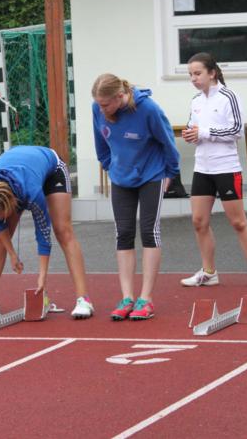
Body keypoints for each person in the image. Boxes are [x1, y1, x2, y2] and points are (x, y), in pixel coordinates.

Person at [92, 73, 180, 320]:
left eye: (106, 104)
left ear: (120, 96)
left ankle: (146, 298)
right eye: (99, 104)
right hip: (121, 177)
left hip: (151, 174)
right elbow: (100, 142)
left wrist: (171, 173)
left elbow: (168, 142)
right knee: (123, 233)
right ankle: (127, 297)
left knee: (149, 231)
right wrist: (108, 165)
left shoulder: (148, 109)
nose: (102, 109)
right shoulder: (97, 108)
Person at [0, 145, 94, 319]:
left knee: (63, 231)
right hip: (20, 171)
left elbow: (43, 233)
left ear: (13, 204)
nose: (0, 219)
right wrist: (12, 254)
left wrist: (42, 277)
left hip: (52, 168)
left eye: (3, 215)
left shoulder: (32, 193)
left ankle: (84, 299)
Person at [179, 52, 247, 289]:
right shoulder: (196, 101)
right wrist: (190, 134)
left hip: (226, 167)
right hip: (202, 167)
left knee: (238, 222)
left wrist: (203, 133)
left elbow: (237, 130)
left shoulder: (229, 96)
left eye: (197, 73)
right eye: (190, 75)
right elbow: (193, 127)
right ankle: (209, 272)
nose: (193, 79)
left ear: (212, 73)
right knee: (199, 221)